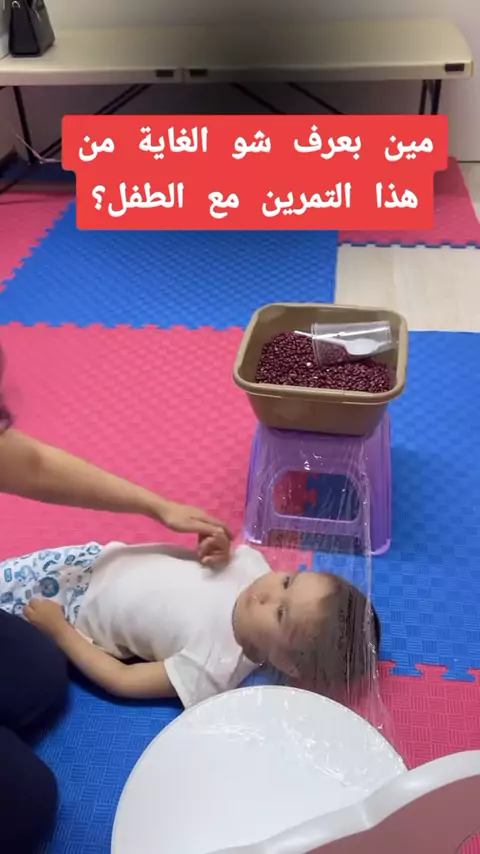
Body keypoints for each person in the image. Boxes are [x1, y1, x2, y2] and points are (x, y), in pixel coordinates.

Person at [0, 352, 230, 853]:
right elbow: (124, 680)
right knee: (27, 808)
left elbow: (31, 464)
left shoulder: (224, 650)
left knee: (40, 681)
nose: (269, 590)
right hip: (75, 598)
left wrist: (159, 507)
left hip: (76, 595)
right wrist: (62, 629)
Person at [2, 533, 380, 710]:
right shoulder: (252, 566)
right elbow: (201, 561)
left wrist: (60, 632)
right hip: (93, 560)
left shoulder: (213, 669)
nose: (268, 592)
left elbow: (123, 679)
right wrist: (213, 545)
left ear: (286, 662)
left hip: (71, 613)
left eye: (281, 614)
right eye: (288, 581)